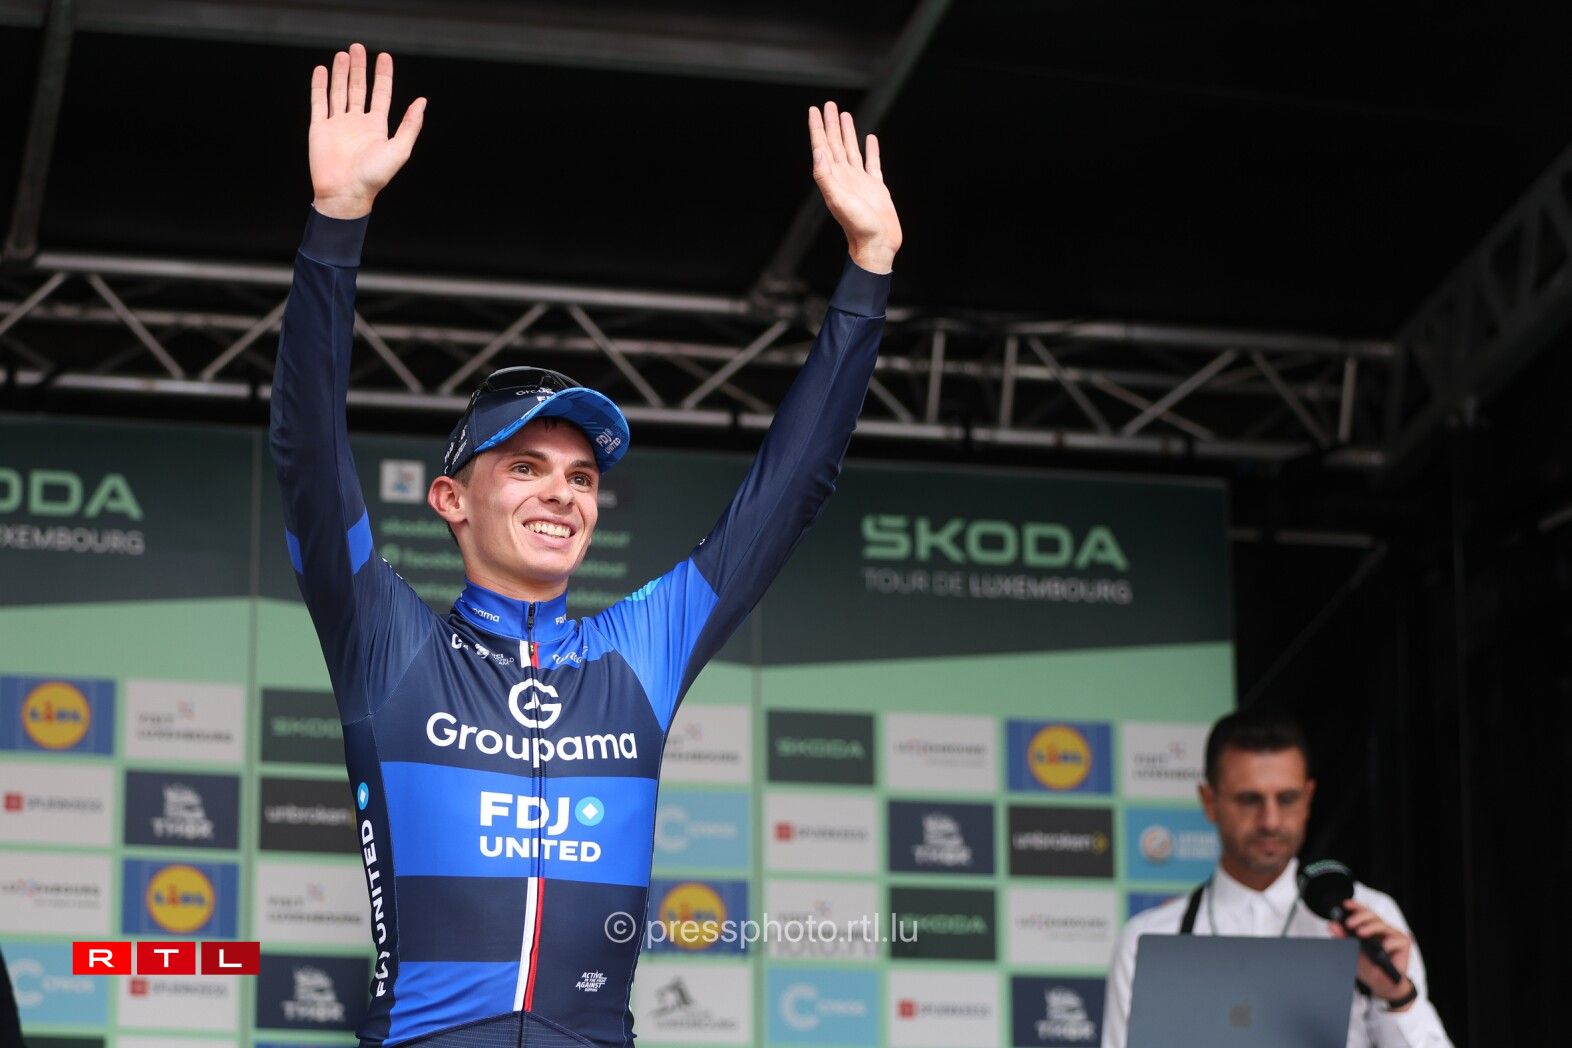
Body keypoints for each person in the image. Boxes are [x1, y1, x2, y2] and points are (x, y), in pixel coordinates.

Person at [270, 43, 899, 1048]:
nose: (561, 492)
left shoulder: (637, 650)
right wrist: (336, 224)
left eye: (582, 476)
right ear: (450, 499)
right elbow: (309, 456)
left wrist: (867, 272)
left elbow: (788, 492)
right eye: (524, 466)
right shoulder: (387, 644)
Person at [1101, 709, 1452, 1048]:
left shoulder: (1369, 919)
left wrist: (1396, 995)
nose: (1270, 820)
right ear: (1209, 801)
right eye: (1249, 800)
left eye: (1286, 799)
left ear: (1308, 798)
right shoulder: (1150, 940)